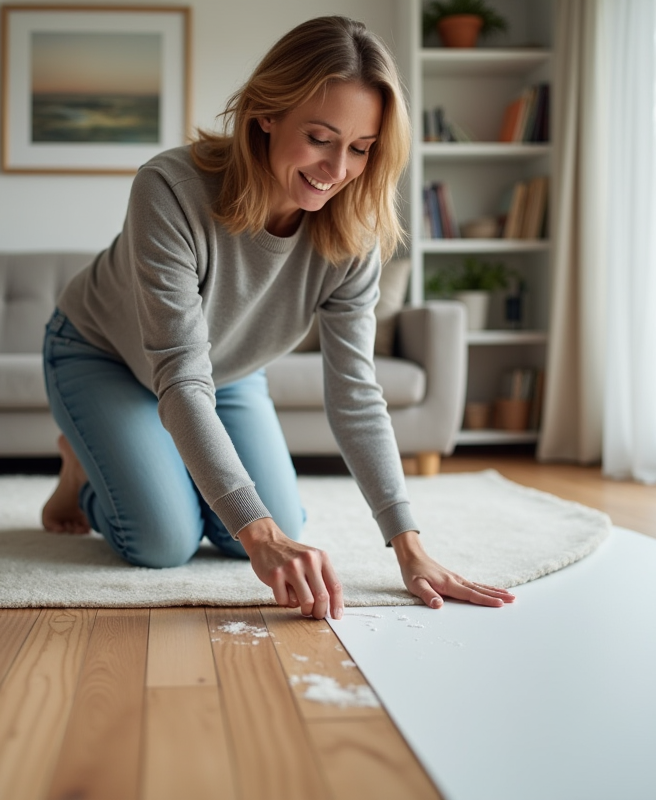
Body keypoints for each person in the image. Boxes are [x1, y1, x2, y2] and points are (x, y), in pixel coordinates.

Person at [41, 15, 515, 620]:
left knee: (276, 527)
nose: (337, 169)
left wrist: (409, 546)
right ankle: (82, 469)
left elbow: (355, 394)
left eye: (361, 149)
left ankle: (152, 462)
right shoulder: (170, 190)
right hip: (102, 356)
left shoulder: (354, 236)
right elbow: (182, 380)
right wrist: (257, 532)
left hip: (231, 371)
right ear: (267, 113)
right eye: (320, 137)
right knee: (163, 541)